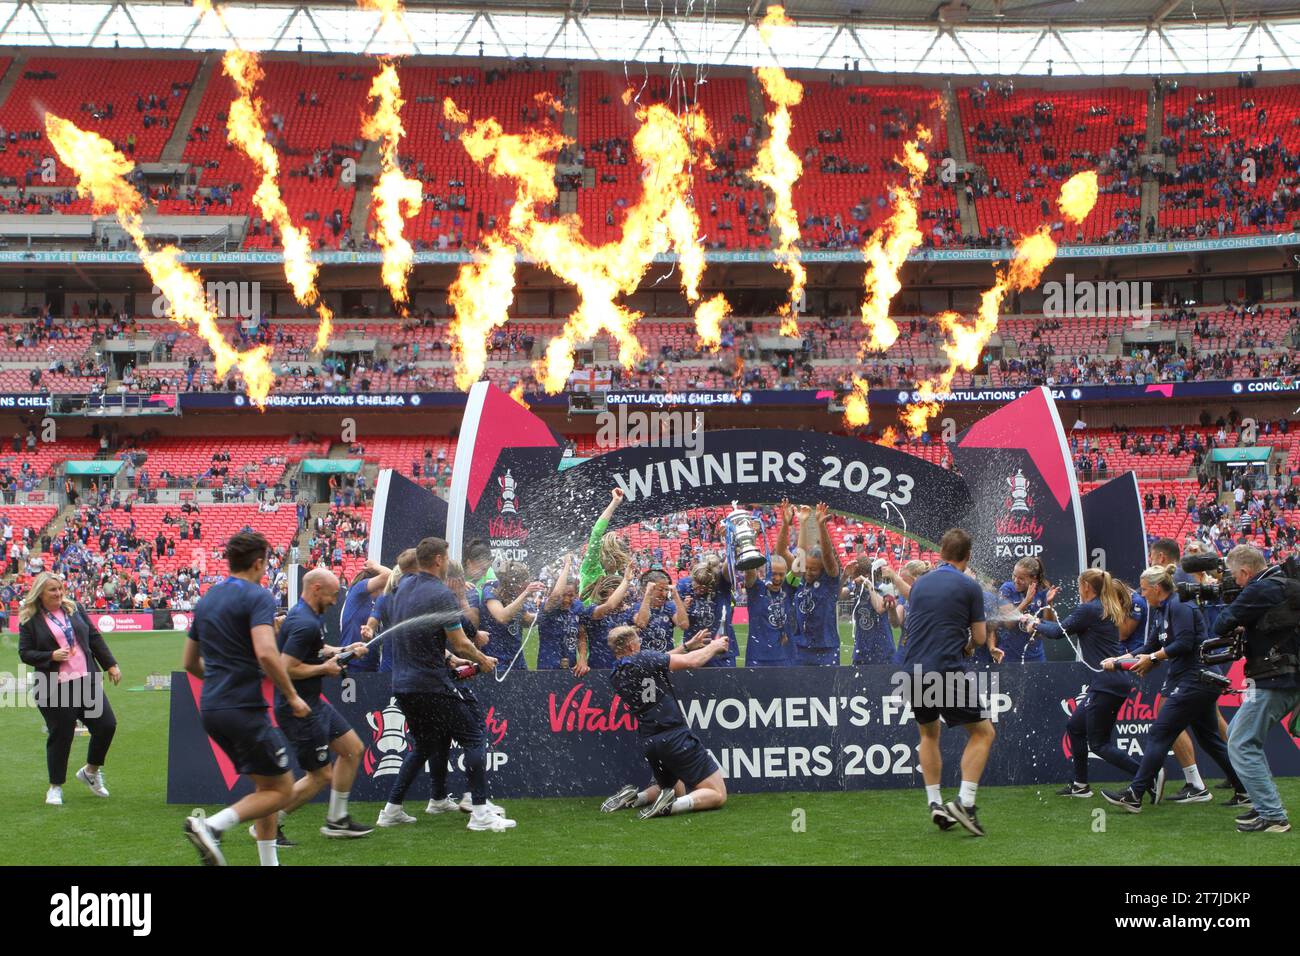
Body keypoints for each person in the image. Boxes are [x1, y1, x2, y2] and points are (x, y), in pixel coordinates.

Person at [181, 531, 311, 866]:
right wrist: (292, 696)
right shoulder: (258, 596)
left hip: (212, 707)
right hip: (244, 707)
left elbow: (188, 662)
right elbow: (267, 654)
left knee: (264, 788)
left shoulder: (207, 599)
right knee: (282, 790)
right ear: (258, 563)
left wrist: (220, 679)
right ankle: (210, 826)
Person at [375, 537, 514, 832]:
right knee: (475, 737)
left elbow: (421, 637)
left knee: (425, 745)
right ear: (438, 559)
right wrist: (483, 660)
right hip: (430, 683)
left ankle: (392, 809)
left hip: (402, 685)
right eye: (447, 555)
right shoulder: (440, 594)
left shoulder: (401, 589)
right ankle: (479, 812)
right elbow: (462, 642)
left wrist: (449, 660)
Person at [1100, 565, 1248, 813]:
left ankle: (1135, 794)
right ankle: (1244, 790)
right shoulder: (1160, 610)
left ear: (1158, 588)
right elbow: (1149, 645)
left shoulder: (1179, 605)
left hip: (1196, 679)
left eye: (1145, 590)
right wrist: (1119, 661)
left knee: (1160, 733)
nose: (1142, 594)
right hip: (1192, 679)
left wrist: (1154, 658)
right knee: (1210, 740)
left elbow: (1184, 643)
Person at [899, 528, 995, 837]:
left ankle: (935, 803)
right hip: (946, 670)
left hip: (913, 671)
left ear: (941, 552)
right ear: (967, 557)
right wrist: (967, 644)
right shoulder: (969, 585)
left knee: (928, 734)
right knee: (983, 732)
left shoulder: (919, 584)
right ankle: (965, 805)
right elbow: (980, 638)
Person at [271, 567, 374, 841]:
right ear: (316, 588)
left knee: (352, 750)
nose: (334, 601)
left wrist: (344, 650)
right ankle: (268, 823)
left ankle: (337, 820)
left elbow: (318, 650)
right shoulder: (305, 623)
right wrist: (324, 670)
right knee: (319, 776)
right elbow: (285, 668)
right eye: (332, 594)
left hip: (314, 702)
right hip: (298, 707)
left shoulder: (309, 616)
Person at [1025, 569, 1141, 795]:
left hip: (1107, 683)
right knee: (1075, 727)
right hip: (1108, 682)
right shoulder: (1101, 607)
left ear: (1086, 586)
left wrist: (1035, 623)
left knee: (1099, 744)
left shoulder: (1089, 609)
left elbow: (1059, 632)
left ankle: (1146, 776)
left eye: (1080, 585)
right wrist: (1039, 622)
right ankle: (1080, 785)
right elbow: (1063, 629)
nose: (1078, 589)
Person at [600, 624, 730, 818]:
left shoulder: (616, 674)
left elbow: (655, 661)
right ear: (630, 647)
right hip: (674, 736)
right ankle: (670, 807)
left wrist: (687, 646)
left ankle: (636, 798)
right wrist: (714, 646)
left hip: (652, 743)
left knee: (674, 789)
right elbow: (691, 662)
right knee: (718, 794)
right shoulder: (643, 659)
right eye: (638, 642)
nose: (641, 645)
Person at [19, 572, 121, 806]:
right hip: (54, 687)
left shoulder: (74, 609)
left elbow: (94, 638)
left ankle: (90, 772)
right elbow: (25, 653)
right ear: (40, 594)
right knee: (61, 735)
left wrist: (111, 665)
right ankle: (55, 787)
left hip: (86, 680)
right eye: (52, 590)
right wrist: (50, 656)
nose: (58, 593)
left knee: (106, 725)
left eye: (60, 588)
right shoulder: (30, 619)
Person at [1218, 545, 1298, 832]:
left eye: (1234, 576)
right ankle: (1263, 805)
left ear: (1244, 572)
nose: (1233, 581)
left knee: (1240, 743)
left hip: (1274, 678)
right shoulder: (1286, 583)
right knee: (1243, 738)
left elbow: (1220, 623)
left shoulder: (1257, 589)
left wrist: (1238, 614)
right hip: (1286, 676)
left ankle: (1273, 816)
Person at [775, 500, 842, 665]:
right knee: (799, 691)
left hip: (827, 649)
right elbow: (783, 552)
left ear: (823, 570)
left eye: (814, 569)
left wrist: (821, 526)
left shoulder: (830, 580)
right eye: (807, 568)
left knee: (830, 691)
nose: (808, 572)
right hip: (800, 648)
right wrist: (789, 523)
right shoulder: (798, 577)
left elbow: (827, 556)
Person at [479, 560, 545, 670]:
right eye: (522, 586)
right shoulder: (491, 589)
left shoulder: (515, 595)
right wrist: (525, 593)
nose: (524, 588)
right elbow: (502, 617)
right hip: (495, 657)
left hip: (516, 658)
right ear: (512, 584)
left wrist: (546, 611)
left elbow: (527, 619)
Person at [991, 557, 1057, 663]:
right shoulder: (1007, 589)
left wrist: (1049, 603)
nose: (1016, 580)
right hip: (1008, 656)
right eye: (1014, 575)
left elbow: (1050, 626)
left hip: (1036, 657)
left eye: (1021, 578)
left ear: (1034, 579)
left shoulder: (1043, 590)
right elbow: (1008, 623)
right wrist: (1026, 602)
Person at [676, 559, 736, 666]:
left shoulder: (721, 583)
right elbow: (681, 624)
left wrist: (733, 549)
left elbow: (729, 565)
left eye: (704, 587)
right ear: (692, 578)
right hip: (694, 652)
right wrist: (683, 608)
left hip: (721, 651)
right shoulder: (684, 585)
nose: (699, 590)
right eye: (696, 585)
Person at [336, 560, 390, 674]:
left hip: (370, 665)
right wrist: (375, 566)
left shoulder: (375, 604)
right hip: (353, 664)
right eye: (381, 587)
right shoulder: (358, 590)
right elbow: (391, 577)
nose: (383, 591)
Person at [842, 556, 896, 666]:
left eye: (854, 576)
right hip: (861, 650)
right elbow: (837, 595)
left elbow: (879, 608)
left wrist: (868, 584)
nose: (853, 580)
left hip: (882, 649)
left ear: (865, 575)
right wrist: (844, 576)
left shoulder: (881, 588)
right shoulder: (855, 589)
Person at [743, 554, 795, 666]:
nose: (777, 578)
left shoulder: (789, 590)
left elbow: (799, 567)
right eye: (773, 573)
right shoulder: (756, 589)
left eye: (781, 574)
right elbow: (749, 570)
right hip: (758, 658)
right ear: (764, 572)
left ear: (786, 573)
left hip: (785, 657)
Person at [537, 554, 583, 669]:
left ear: (576, 595)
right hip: (548, 666)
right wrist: (567, 566)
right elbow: (556, 596)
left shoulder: (578, 607)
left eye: (571, 595)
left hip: (572, 667)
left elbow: (582, 635)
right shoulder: (548, 607)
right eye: (564, 595)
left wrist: (582, 658)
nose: (567, 599)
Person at [634, 568, 687, 653]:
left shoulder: (669, 606)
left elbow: (684, 625)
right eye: (660, 590)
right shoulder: (637, 607)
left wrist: (676, 596)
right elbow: (641, 623)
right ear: (646, 589)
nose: (664, 594)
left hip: (666, 659)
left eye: (666, 589)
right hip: (644, 661)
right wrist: (648, 594)